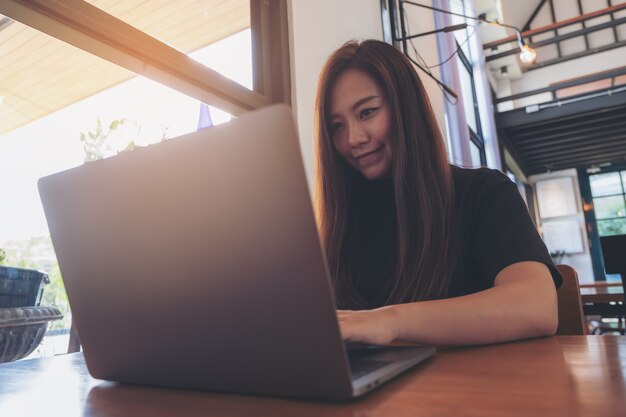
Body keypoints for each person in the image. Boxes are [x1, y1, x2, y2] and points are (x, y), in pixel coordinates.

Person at [313, 39, 562, 346]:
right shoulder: (341, 222)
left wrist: (390, 321)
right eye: (336, 126)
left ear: (407, 108)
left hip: (476, 388)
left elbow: (537, 307)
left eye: (367, 112)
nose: (353, 138)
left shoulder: (485, 194)